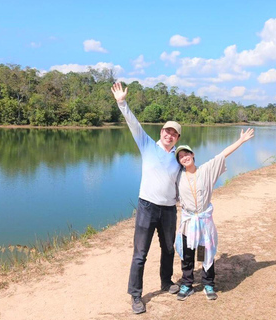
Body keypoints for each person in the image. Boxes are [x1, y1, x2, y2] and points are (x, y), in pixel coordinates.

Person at [111, 82, 181, 314]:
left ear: (177, 137)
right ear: (161, 132)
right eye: (166, 131)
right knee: (140, 254)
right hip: (147, 207)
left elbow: (185, 182)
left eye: (173, 133)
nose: (169, 135)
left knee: (169, 249)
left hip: (169, 210)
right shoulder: (147, 144)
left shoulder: (179, 158)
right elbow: (134, 123)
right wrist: (122, 103)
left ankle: (166, 282)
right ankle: (136, 295)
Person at [174, 127, 255, 301]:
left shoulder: (206, 170)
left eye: (186, 154)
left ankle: (208, 283)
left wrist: (240, 141)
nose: (184, 158)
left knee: (205, 252)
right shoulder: (177, 176)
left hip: (203, 221)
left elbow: (223, 154)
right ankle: (187, 284)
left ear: (193, 154)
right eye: (180, 157)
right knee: (187, 254)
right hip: (188, 222)